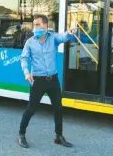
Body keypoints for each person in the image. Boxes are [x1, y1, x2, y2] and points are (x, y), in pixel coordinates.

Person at [18, 15, 76, 148]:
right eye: (34, 25)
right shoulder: (30, 42)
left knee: (58, 108)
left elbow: (64, 37)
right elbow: (24, 58)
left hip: (53, 80)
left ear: (45, 25)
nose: (35, 28)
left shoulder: (53, 38)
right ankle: (21, 134)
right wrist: (26, 73)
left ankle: (58, 136)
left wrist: (70, 32)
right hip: (38, 80)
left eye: (38, 25)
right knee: (31, 109)